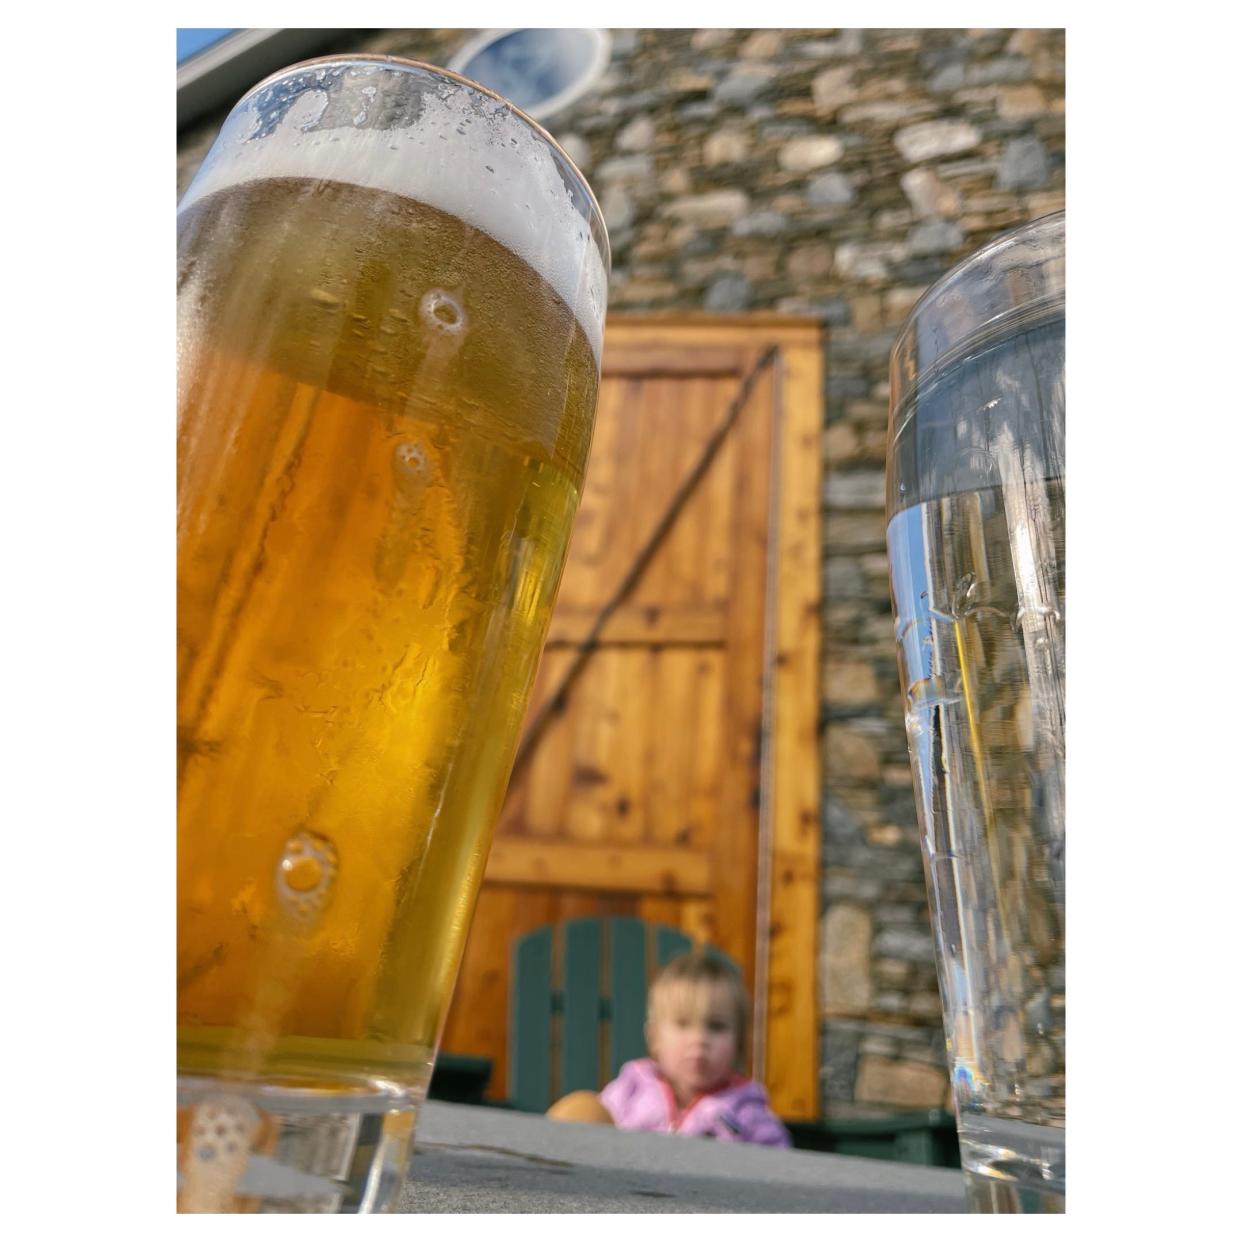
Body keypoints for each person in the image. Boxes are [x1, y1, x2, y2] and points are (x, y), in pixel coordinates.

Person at [546, 949, 791, 1147]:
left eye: (716, 1027)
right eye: (683, 1024)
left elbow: (778, 1171)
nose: (699, 1039)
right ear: (654, 1038)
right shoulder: (633, 1088)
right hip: (625, 1197)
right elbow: (596, 1125)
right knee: (580, 1107)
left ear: (739, 1044)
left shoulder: (746, 1111)